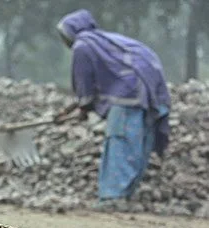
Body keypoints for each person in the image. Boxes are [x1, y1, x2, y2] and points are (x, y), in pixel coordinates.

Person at [56, 9, 171, 211]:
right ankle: (125, 196)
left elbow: (85, 86)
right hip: (150, 90)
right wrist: (70, 110)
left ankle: (112, 198)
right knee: (138, 144)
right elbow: (95, 87)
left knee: (120, 141)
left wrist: (83, 107)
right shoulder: (104, 41)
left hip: (128, 93)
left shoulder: (83, 45)